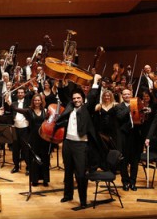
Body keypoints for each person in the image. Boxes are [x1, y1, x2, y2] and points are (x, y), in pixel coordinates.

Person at [53, 74, 102, 210]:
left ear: (83, 99)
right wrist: (61, 84)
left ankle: (83, 200)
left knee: (80, 174)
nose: (76, 100)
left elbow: (92, 97)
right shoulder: (69, 107)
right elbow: (63, 96)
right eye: (74, 98)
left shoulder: (86, 108)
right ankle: (68, 195)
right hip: (68, 143)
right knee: (67, 171)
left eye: (78, 98)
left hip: (81, 145)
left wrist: (96, 81)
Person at [10, 92, 50, 186]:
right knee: (34, 158)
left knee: (45, 158)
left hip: (44, 137)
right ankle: (35, 180)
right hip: (33, 137)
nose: (37, 102)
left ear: (41, 101)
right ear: (33, 101)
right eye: (35, 100)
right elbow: (16, 109)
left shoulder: (45, 111)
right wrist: (9, 102)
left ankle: (45, 179)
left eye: (38, 100)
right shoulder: (29, 111)